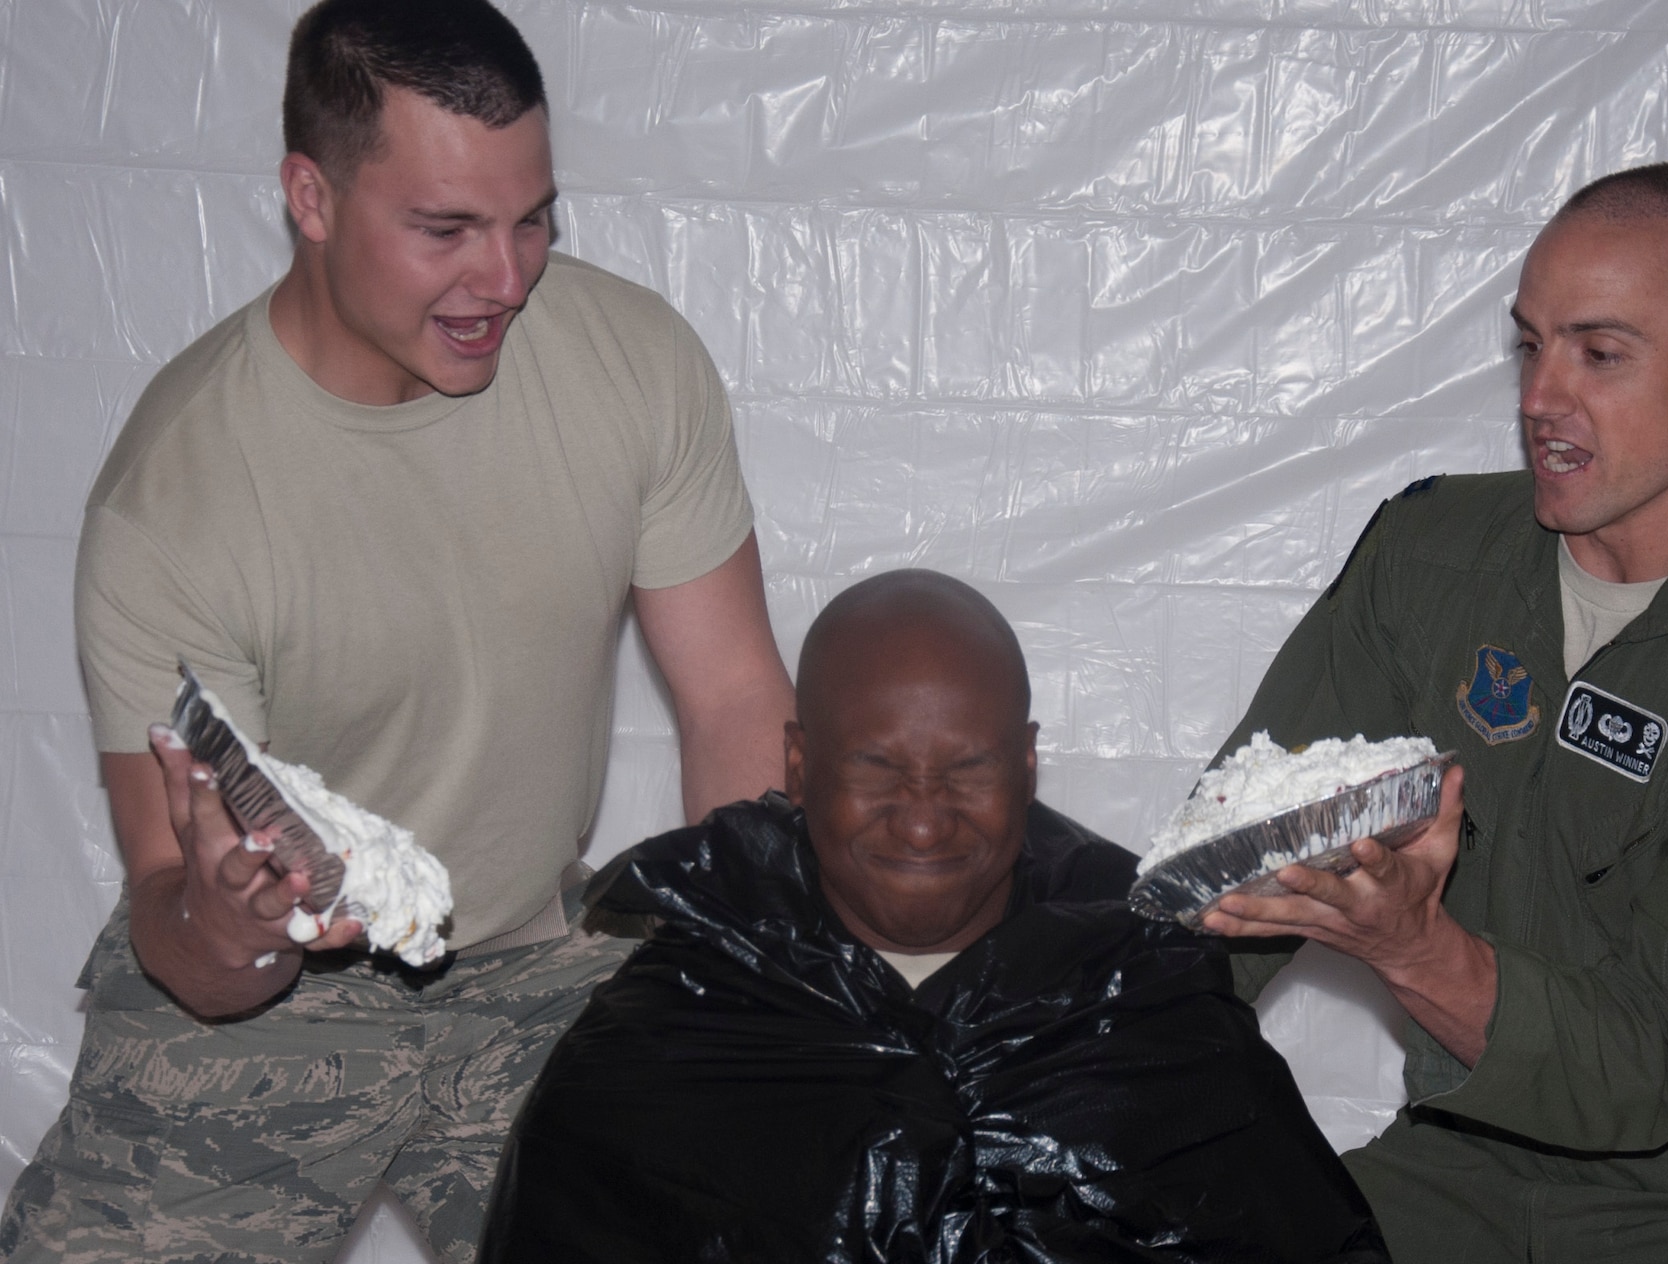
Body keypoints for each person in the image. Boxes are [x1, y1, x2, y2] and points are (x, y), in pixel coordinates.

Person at [0, 2, 793, 1261]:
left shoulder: (634, 363)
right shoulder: (175, 505)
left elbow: (735, 700)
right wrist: (233, 925)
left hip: (538, 964)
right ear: (309, 199)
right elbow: (181, 927)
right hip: (266, 1006)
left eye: (531, 218)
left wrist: (743, 1000)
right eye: (445, 230)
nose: (504, 277)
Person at [1201, 163, 1668, 1261]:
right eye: (1529, 344)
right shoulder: (1431, 557)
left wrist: (1413, 945)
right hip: (1463, 1165)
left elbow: (1660, 1068)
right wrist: (1075, 1044)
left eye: (1597, 353)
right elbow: (1241, 869)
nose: (1540, 396)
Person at [477, 570, 1390, 1264]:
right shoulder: (677, 1026)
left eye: (968, 770)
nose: (922, 817)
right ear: (800, 765)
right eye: (876, 768)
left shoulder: (1144, 998)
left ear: (1029, 765)